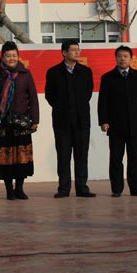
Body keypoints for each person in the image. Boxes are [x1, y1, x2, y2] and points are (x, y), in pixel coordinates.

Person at [0, 41, 39, 200]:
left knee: (22, 158)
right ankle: (9, 190)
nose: (11, 58)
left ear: (18, 56)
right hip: (3, 123)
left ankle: (20, 189)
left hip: (21, 122)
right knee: (6, 159)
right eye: (8, 56)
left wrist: (35, 119)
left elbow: (33, 98)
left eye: (14, 55)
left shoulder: (25, 74)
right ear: (2, 57)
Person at [98, 45, 137, 197]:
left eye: (125, 56)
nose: (122, 59)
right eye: (119, 56)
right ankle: (116, 189)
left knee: (134, 157)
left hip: (134, 124)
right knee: (116, 158)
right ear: (115, 58)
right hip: (115, 125)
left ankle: (135, 187)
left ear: (131, 58)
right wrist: (103, 121)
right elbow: (102, 102)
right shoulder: (108, 78)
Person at [45, 40, 95, 198]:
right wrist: (61, 107)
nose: (77, 52)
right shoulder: (54, 72)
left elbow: (88, 92)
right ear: (64, 53)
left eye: (78, 49)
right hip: (62, 121)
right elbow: (49, 95)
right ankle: (63, 188)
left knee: (82, 155)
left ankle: (82, 188)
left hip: (81, 120)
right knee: (63, 156)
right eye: (73, 50)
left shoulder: (85, 71)